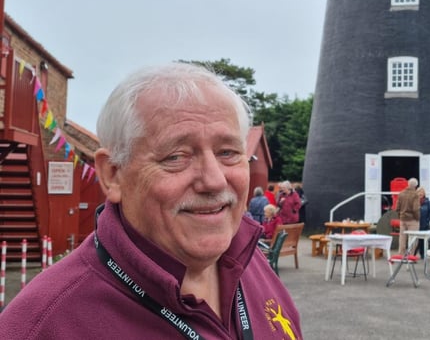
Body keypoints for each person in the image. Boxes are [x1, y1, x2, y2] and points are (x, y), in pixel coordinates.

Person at [0, 63, 302, 338]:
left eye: (228, 153)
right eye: (176, 156)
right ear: (113, 175)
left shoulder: (251, 261)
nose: (214, 180)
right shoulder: (40, 326)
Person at [396, 178, 421, 254]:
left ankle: (400, 254)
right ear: (416, 186)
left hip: (403, 219)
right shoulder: (415, 195)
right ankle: (411, 255)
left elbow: (397, 208)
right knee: (413, 238)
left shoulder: (401, 193)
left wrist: (400, 216)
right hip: (412, 219)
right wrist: (417, 218)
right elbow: (415, 209)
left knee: (402, 238)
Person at [416, 186, 430, 259]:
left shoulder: (427, 202)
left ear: (424, 194)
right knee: (416, 240)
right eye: (419, 192)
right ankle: (412, 254)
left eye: (422, 192)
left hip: (424, 224)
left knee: (423, 240)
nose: (420, 194)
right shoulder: (415, 202)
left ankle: (423, 254)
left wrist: (427, 221)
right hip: (416, 224)